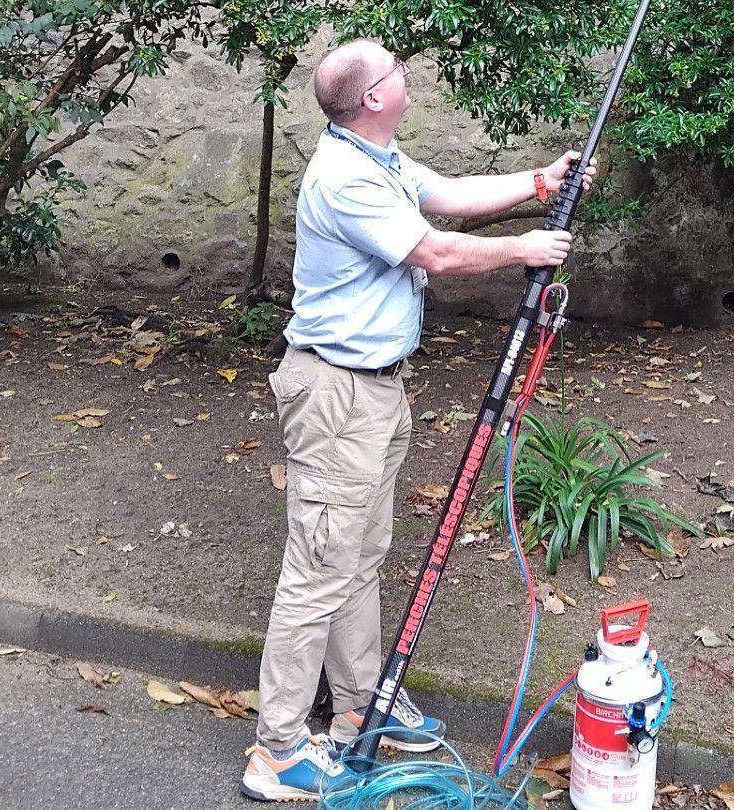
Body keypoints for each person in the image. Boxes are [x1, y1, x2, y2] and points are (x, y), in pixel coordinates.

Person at [240, 39, 596, 803]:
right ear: (372, 98)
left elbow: (449, 193)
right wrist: (525, 249)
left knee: (358, 558)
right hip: (336, 398)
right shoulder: (344, 179)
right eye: (395, 69)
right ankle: (276, 750)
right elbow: (433, 250)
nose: (406, 74)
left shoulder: (380, 158)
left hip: (373, 393)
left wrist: (542, 180)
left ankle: (362, 709)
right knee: (315, 573)